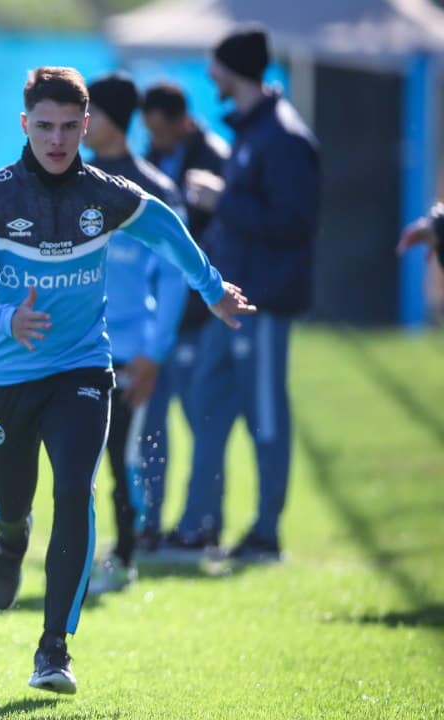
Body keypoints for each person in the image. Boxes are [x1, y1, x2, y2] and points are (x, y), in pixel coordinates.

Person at [0, 66, 254, 694]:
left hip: (84, 369)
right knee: (15, 502)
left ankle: (54, 649)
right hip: (6, 378)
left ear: (86, 126)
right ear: (24, 124)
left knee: (75, 492)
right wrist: (7, 317)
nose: (57, 140)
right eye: (44, 127)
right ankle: (9, 535)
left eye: (69, 127)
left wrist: (212, 285)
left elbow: (168, 227)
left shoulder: (106, 195)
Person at [168, 25, 319, 562]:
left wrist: (221, 198)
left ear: (234, 68)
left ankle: (265, 534)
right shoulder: (254, 132)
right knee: (207, 409)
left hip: (265, 304)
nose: (211, 76)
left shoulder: (284, 136)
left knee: (266, 418)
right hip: (228, 303)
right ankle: (198, 527)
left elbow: (294, 224)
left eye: (216, 66)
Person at [80, 72, 188, 594]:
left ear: (110, 119)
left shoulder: (155, 188)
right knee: (68, 462)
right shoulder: (69, 178)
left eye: (88, 113)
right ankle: (73, 554)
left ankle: (123, 556)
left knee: (121, 458)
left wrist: (154, 352)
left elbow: (173, 277)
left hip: (126, 351)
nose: (79, 125)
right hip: (69, 348)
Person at [136, 80, 230, 552]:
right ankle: (147, 523)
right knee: (149, 427)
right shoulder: (146, 161)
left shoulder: (215, 157)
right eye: (150, 132)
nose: (159, 140)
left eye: (163, 131)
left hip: (198, 316)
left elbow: (227, 231)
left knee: (202, 424)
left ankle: (205, 521)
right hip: (155, 317)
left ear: (183, 121)